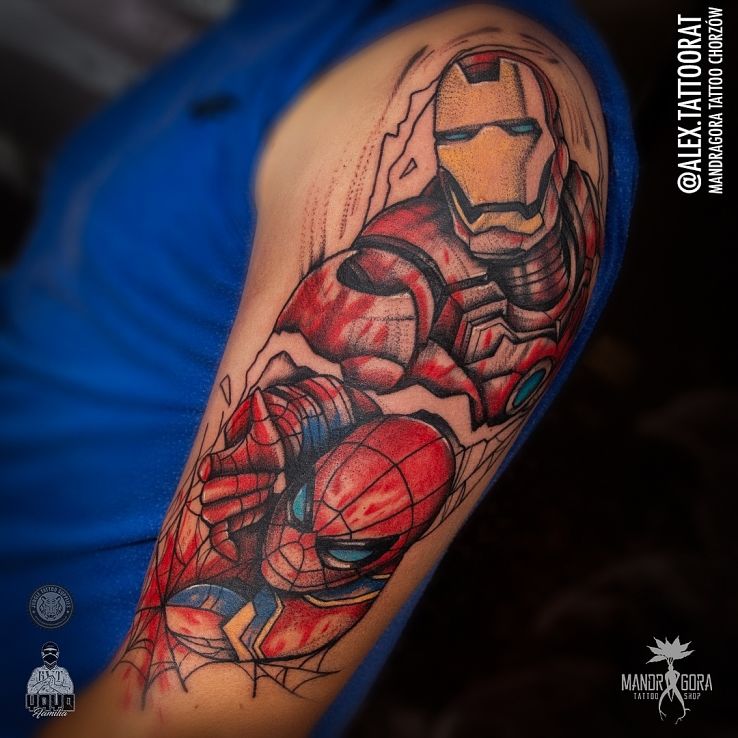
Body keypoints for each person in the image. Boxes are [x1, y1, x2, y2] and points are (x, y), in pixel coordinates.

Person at [0, 1, 637, 736]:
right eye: (464, 139)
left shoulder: (449, 57)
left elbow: (178, 722)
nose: (494, 162)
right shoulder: (294, 28)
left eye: (516, 135)